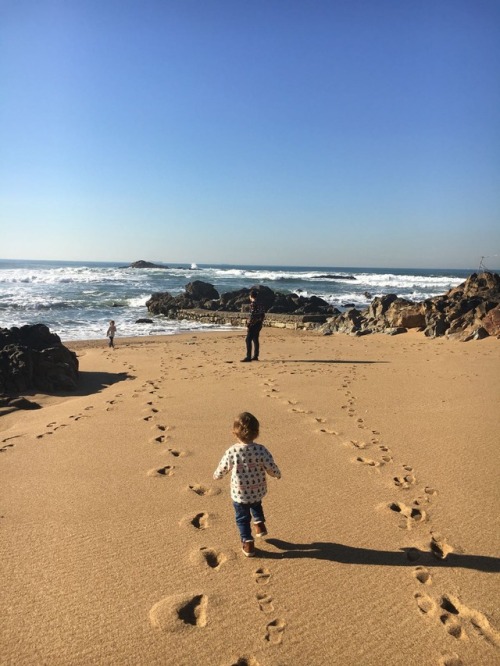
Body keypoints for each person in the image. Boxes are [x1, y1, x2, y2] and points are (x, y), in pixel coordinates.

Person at [213, 412, 281, 557]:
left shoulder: (232, 451)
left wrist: (217, 476)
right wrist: (276, 474)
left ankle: (248, 542)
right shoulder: (261, 450)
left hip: (240, 493)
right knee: (256, 505)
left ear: (234, 433)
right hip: (257, 490)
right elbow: (270, 465)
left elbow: (223, 467)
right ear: (257, 433)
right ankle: (260, 524)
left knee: (242, 518)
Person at [241, 289, 266, 362]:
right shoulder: (261, 304)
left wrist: (249, 324)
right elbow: (263, 315)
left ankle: (248, 356)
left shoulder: (253, 304)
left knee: (248, 340)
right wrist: (260, 321)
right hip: (259, 324)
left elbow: (252, 315)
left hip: (253, 324)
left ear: (251, 296)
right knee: (255, 339)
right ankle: (255, 355)